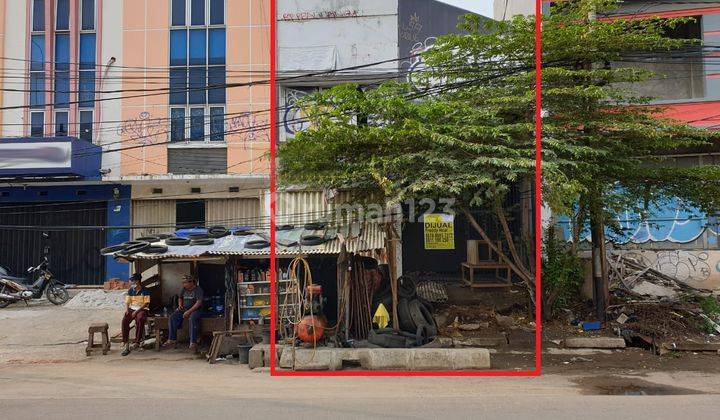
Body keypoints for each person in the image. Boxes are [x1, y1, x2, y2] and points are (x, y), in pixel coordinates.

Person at [165, 275, 204, 352]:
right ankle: (172, 339)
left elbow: (199, 302)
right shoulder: (184, 289)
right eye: (183, 283)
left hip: (196, 310)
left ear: (191, 282)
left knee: (192, 318)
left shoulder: (198, 289)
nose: (184, 284)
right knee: (173, 317)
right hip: (184, 309)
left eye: (185, 283)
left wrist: (189, 311)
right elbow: (180, 297)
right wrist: (180, 305)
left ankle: (193, 342)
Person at [121, 273, 150, 356]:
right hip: (132, 308)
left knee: (140, 319)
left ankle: (137, 341)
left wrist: (136, 312)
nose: (132, 282)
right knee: (125, 320)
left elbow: (146, 304)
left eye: (133, 280)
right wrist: (127, 310)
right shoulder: (131, 290)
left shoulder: (145, 290)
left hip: (142, 309)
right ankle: (125, 340)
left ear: (138, 281)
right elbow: (127, 301)